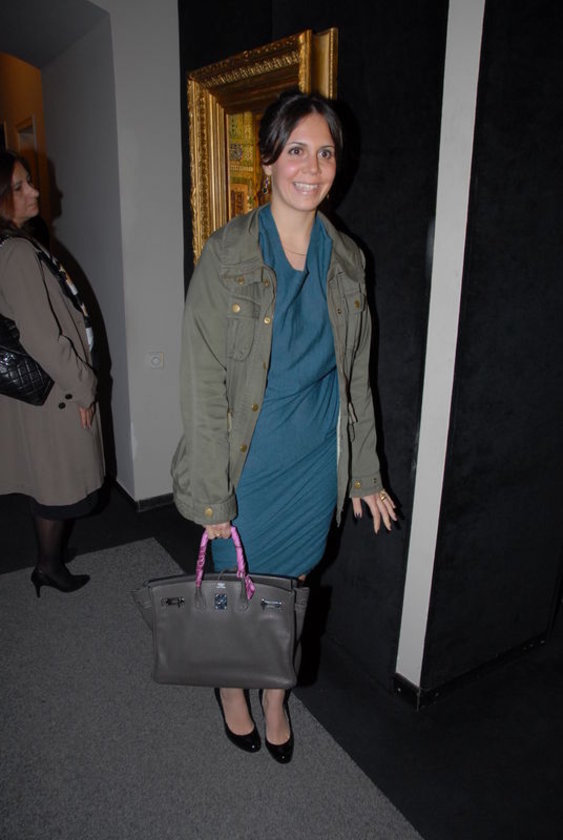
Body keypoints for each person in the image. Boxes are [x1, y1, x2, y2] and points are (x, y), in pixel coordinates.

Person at [172, 90, 397, 762]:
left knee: (292, 589)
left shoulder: (348, 260)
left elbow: (355, 378)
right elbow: (202, 385)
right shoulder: (227, 253)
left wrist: (363, 472)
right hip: (245, 462)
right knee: (234, 590)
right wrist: (210, 493)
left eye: (325, 152)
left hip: (312, 461)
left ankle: (274, 693)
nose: (312, 166)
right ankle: (230, 687)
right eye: (297, 150)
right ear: (268, 160)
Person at [0, 151, 104, 596]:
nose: (35, 191)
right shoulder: (16, 252)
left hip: (45, 390)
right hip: (55, 392)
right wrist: (84, 388)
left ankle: (49, 559)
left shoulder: (16, 243)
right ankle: (48, 564)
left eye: (29, 181)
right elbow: (42, 337)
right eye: (19, 186)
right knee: (57, 485)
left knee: (48, 478)